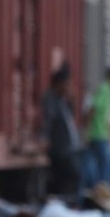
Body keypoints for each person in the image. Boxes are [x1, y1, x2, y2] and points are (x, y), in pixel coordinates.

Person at [41, 64, 83, 202]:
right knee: (72, 177)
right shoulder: (50, 98)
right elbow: (49, 120)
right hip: (60, 149)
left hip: (69, 148)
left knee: (68, 181)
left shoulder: (62, 100)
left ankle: (66, 205)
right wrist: (45, 138)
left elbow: (70, 117)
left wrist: (72, 100)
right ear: (59, 83)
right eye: (67, 83)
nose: (69, 87)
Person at [81, 67, 110, 192]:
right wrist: (87, 131)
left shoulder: (108, 90)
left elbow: (102, 115)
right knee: (109, 165)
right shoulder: (105, 90)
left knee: (96, 166)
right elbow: (92, 109)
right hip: (97, 135)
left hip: (101, 134)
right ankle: (102, 190)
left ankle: (97, 190)